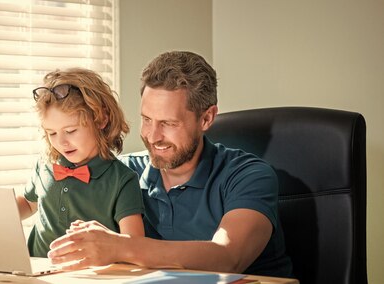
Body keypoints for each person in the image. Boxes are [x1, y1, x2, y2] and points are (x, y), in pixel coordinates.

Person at [47, 51, 293, 278]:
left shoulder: (248, 176)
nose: (153, 136)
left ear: (206, 118)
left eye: (169, 123)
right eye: (147, 120)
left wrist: (121, 247)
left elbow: (228, 257)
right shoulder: (121, 174)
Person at [16, 68, 145, 258]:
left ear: (100, 120)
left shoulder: (122, 180)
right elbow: (28, 204)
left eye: (70, 131)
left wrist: (107, 239)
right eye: (52, 133)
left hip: (91, 275)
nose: (61, 142)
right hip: (38, 271)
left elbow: (135, 243)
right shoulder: (45, 165)